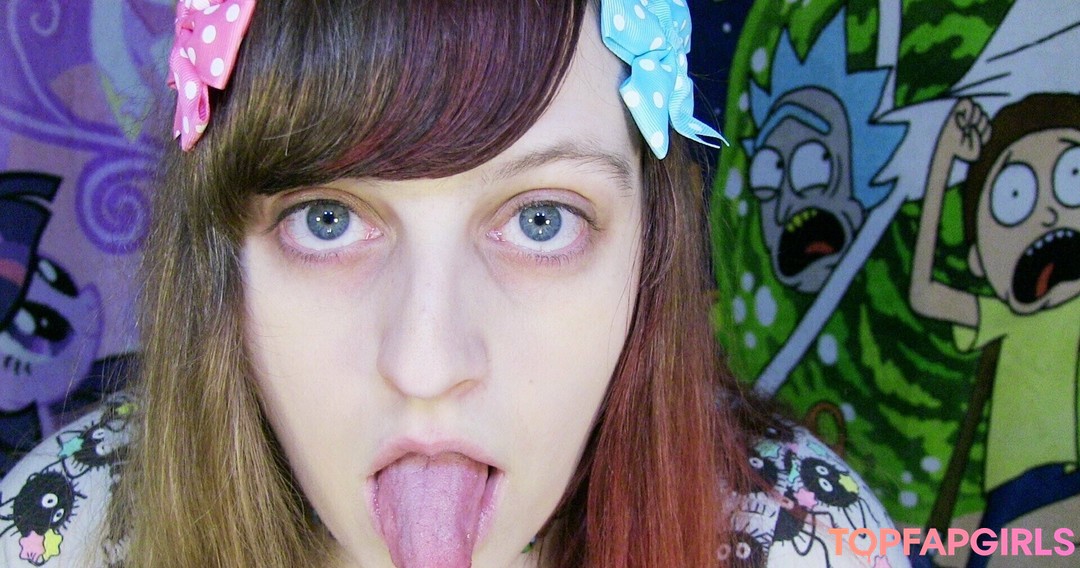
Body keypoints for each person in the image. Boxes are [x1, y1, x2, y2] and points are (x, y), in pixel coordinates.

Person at [0, 1, 908, 567]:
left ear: (650, 253)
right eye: (327, 220)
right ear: (221, 263)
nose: (427, 365)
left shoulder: (807, 542)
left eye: (542, 220)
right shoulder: (58, 536)